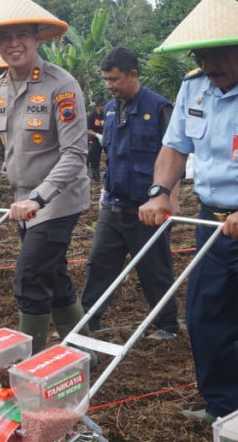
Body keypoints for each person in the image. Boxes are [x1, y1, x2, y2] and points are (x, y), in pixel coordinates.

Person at [0, 0, 92, 355]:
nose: (14, 44)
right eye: (5, 38)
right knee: (54, 276)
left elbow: (76, 153)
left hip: (57, 200)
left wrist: (38, 198)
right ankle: (83, 348)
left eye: (22, 36)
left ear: (35, 38)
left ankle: (29, 366)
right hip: (22, 202)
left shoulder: (60, 86)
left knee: (29, 277)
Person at [139, 0, 238, 424]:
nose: (209, 64)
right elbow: (174, 148)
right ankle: (224, 409)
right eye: (201, 54)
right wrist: (160, 190)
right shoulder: (194, 89)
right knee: (206, 320)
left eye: (219, 53)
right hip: (212, 226)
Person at [80, 47, 179, 340]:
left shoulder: (159, 108)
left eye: (114, 79)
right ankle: (88, 321)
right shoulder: (109, 110)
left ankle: (168, 326)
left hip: (146, 208)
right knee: (98, 265)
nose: (109, 85)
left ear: (133, 74)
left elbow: (176, 155)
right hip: (112, 205)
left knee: (154, 269)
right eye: (105, 80)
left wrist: (170, 200)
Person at [87, 96, 106, 182]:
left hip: (106, 138)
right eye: (102, 105)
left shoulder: (107, 115)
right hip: (95, 139)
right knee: (94, 159)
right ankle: (96, 179)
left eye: (105, 105)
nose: (104, 107)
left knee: (111, 156)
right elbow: (88, 130)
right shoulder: (92, 116)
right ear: (97, 106)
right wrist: (98, 135)